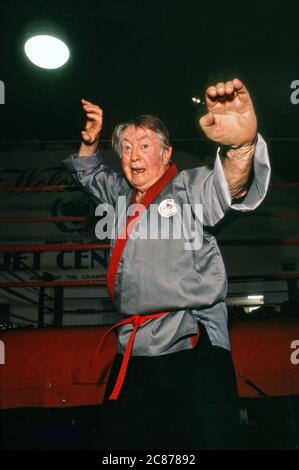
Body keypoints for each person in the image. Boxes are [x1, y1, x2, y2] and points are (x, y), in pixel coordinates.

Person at [63, 79, 271, 450]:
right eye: (125, 148)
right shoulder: (120, 195)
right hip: (133, 348)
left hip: (193, 342)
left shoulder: (190, 188)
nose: (133, 155)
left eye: (144, 145)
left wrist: (240, 147)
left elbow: (229, 189)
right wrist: (91, 142)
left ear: (166, 153)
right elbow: (88, 172)